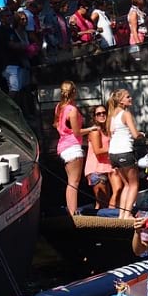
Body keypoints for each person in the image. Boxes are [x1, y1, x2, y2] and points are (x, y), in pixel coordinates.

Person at [107, 88, 142, 218]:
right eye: (127, 97)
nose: (130, 98)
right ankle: (127, 214)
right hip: (125, 151)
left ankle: (122, 214)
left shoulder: (112, 115)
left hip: (113, 154)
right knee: (134, 184)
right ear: (121, 101)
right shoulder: (126, 114)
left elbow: (112, 133)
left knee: (126, 184)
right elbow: (134, 134)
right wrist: (141, 135)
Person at [53, 81, 86, 216]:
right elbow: (77, 132)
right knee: (74, 182)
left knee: (70, 182)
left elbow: (56, 125)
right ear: (74, 92)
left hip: (62, 146)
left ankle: (71, 211)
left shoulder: (59, 107)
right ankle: (73, 212)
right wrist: (92, 129)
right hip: (73, 146)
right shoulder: (72, 110)